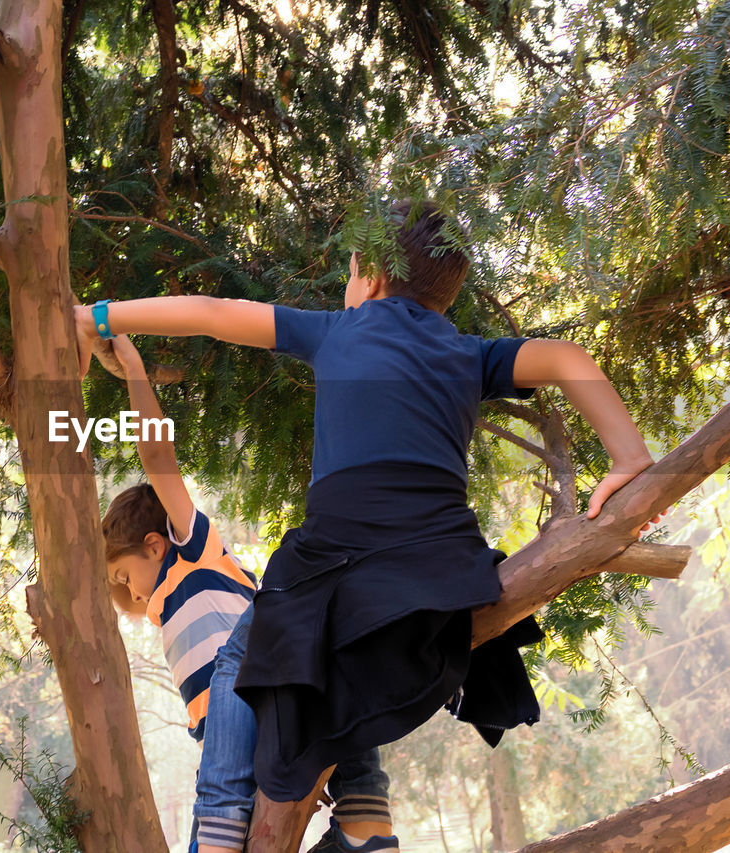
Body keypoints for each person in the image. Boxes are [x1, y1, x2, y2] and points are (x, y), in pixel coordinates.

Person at [77, 200, 658, 853]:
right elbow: (566, 355)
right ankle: (364, 820)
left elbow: (211, 312)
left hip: (341, 556)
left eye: (349, 272)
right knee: (340, 647)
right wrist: (631, 459)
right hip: (439, 572)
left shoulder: (337, 331)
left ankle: (217, 829)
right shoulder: (469, 352)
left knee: (244, 656)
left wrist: (99, 315)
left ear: (372, 273)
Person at [98, 334, 399, 853]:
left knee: (218, 815)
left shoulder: (192, 554)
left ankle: (364, 811)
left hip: (258, 707)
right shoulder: (163, 604)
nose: (129, 593)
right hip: (233, 739)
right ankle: (362, 836)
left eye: (126, 576)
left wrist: (134, 375)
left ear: (153, 545)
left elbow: (157, 458)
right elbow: (115, 595)